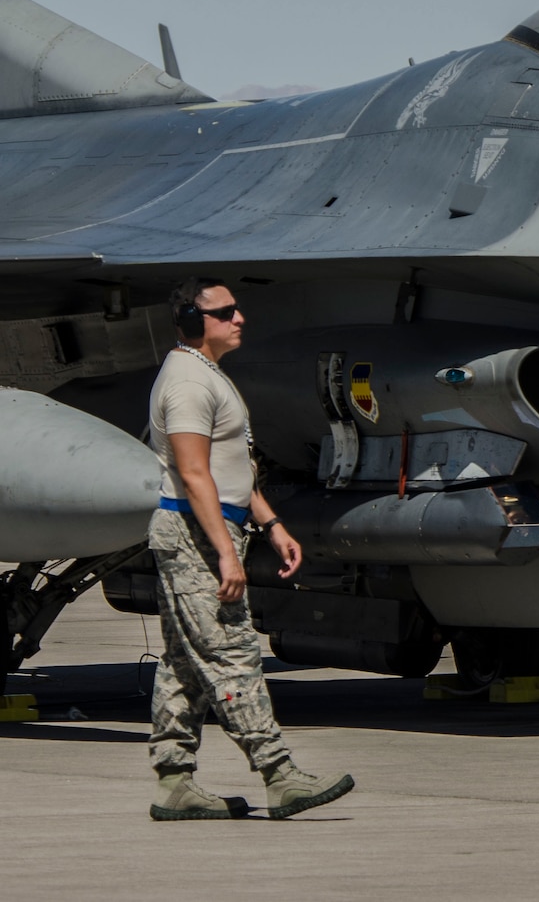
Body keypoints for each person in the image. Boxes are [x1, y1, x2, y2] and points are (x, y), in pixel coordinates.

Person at [147, 276, 355, 821]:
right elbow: (194, 475)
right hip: (194, 531)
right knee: (230, 651)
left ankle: (174, 782)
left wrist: (270, 524)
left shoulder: (208, 376)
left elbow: (231, 468)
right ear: (194, 322)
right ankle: (279, 774)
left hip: (212, 526)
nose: (240, 319)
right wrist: (225, 552)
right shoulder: (188, 383)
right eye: (226, 313)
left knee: (183, 661)